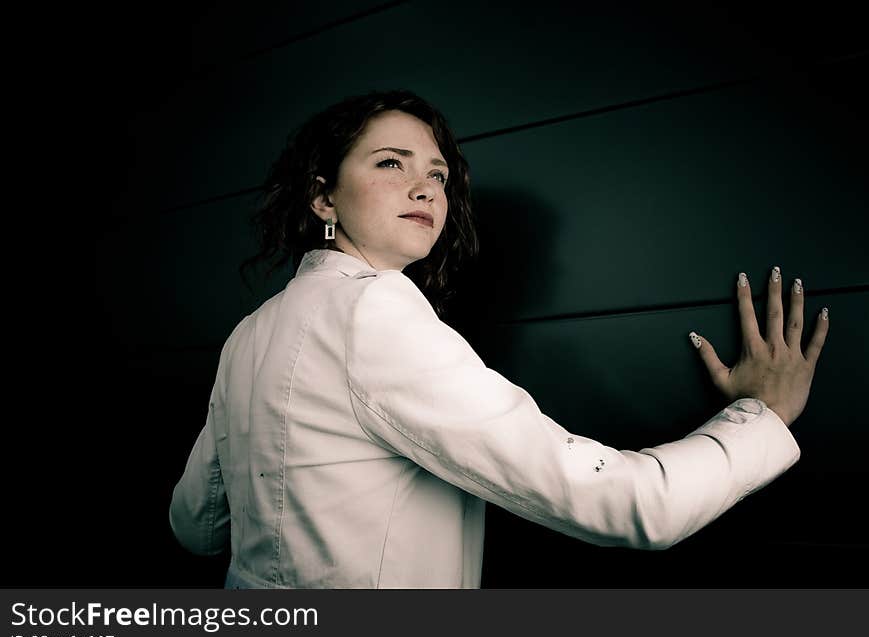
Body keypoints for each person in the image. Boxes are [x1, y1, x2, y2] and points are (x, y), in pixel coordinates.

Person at [169, 89, 829, 588]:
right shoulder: (375, 315)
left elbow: (194, 525)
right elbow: (628, 505)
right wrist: (760, 415)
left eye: (437, 175)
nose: (424, 187)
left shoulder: (249, 335)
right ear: (323, 197)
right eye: (391, 162)